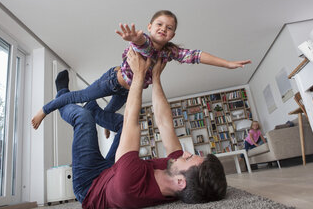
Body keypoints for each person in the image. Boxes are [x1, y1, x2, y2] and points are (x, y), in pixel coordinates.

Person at [43, 47, 227, 208]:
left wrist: (139, 74)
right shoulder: (177, 174)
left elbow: (132, 120)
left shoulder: (129, 184)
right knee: (118, 123)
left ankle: (62, 95)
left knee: (83, 118)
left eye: (188, 159)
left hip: (91, 183)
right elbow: (164, 123)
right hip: (114, 169)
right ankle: (93, 109)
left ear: (180, 182)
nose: (185, 153)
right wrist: (155, 77)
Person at [31, 10, 251, 138]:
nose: (164, 28)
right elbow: (143, 44)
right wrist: (133, 38)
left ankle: (106, 125)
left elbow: (196, 55)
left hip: (129, 90)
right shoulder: (144, 41)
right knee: (82, 96)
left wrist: (227, 64)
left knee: (112, 109)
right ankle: (45, 109)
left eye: (170, 27)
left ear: (173, 33)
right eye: (159, 24)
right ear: (150, 26)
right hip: (111, 81)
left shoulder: (171, 51)